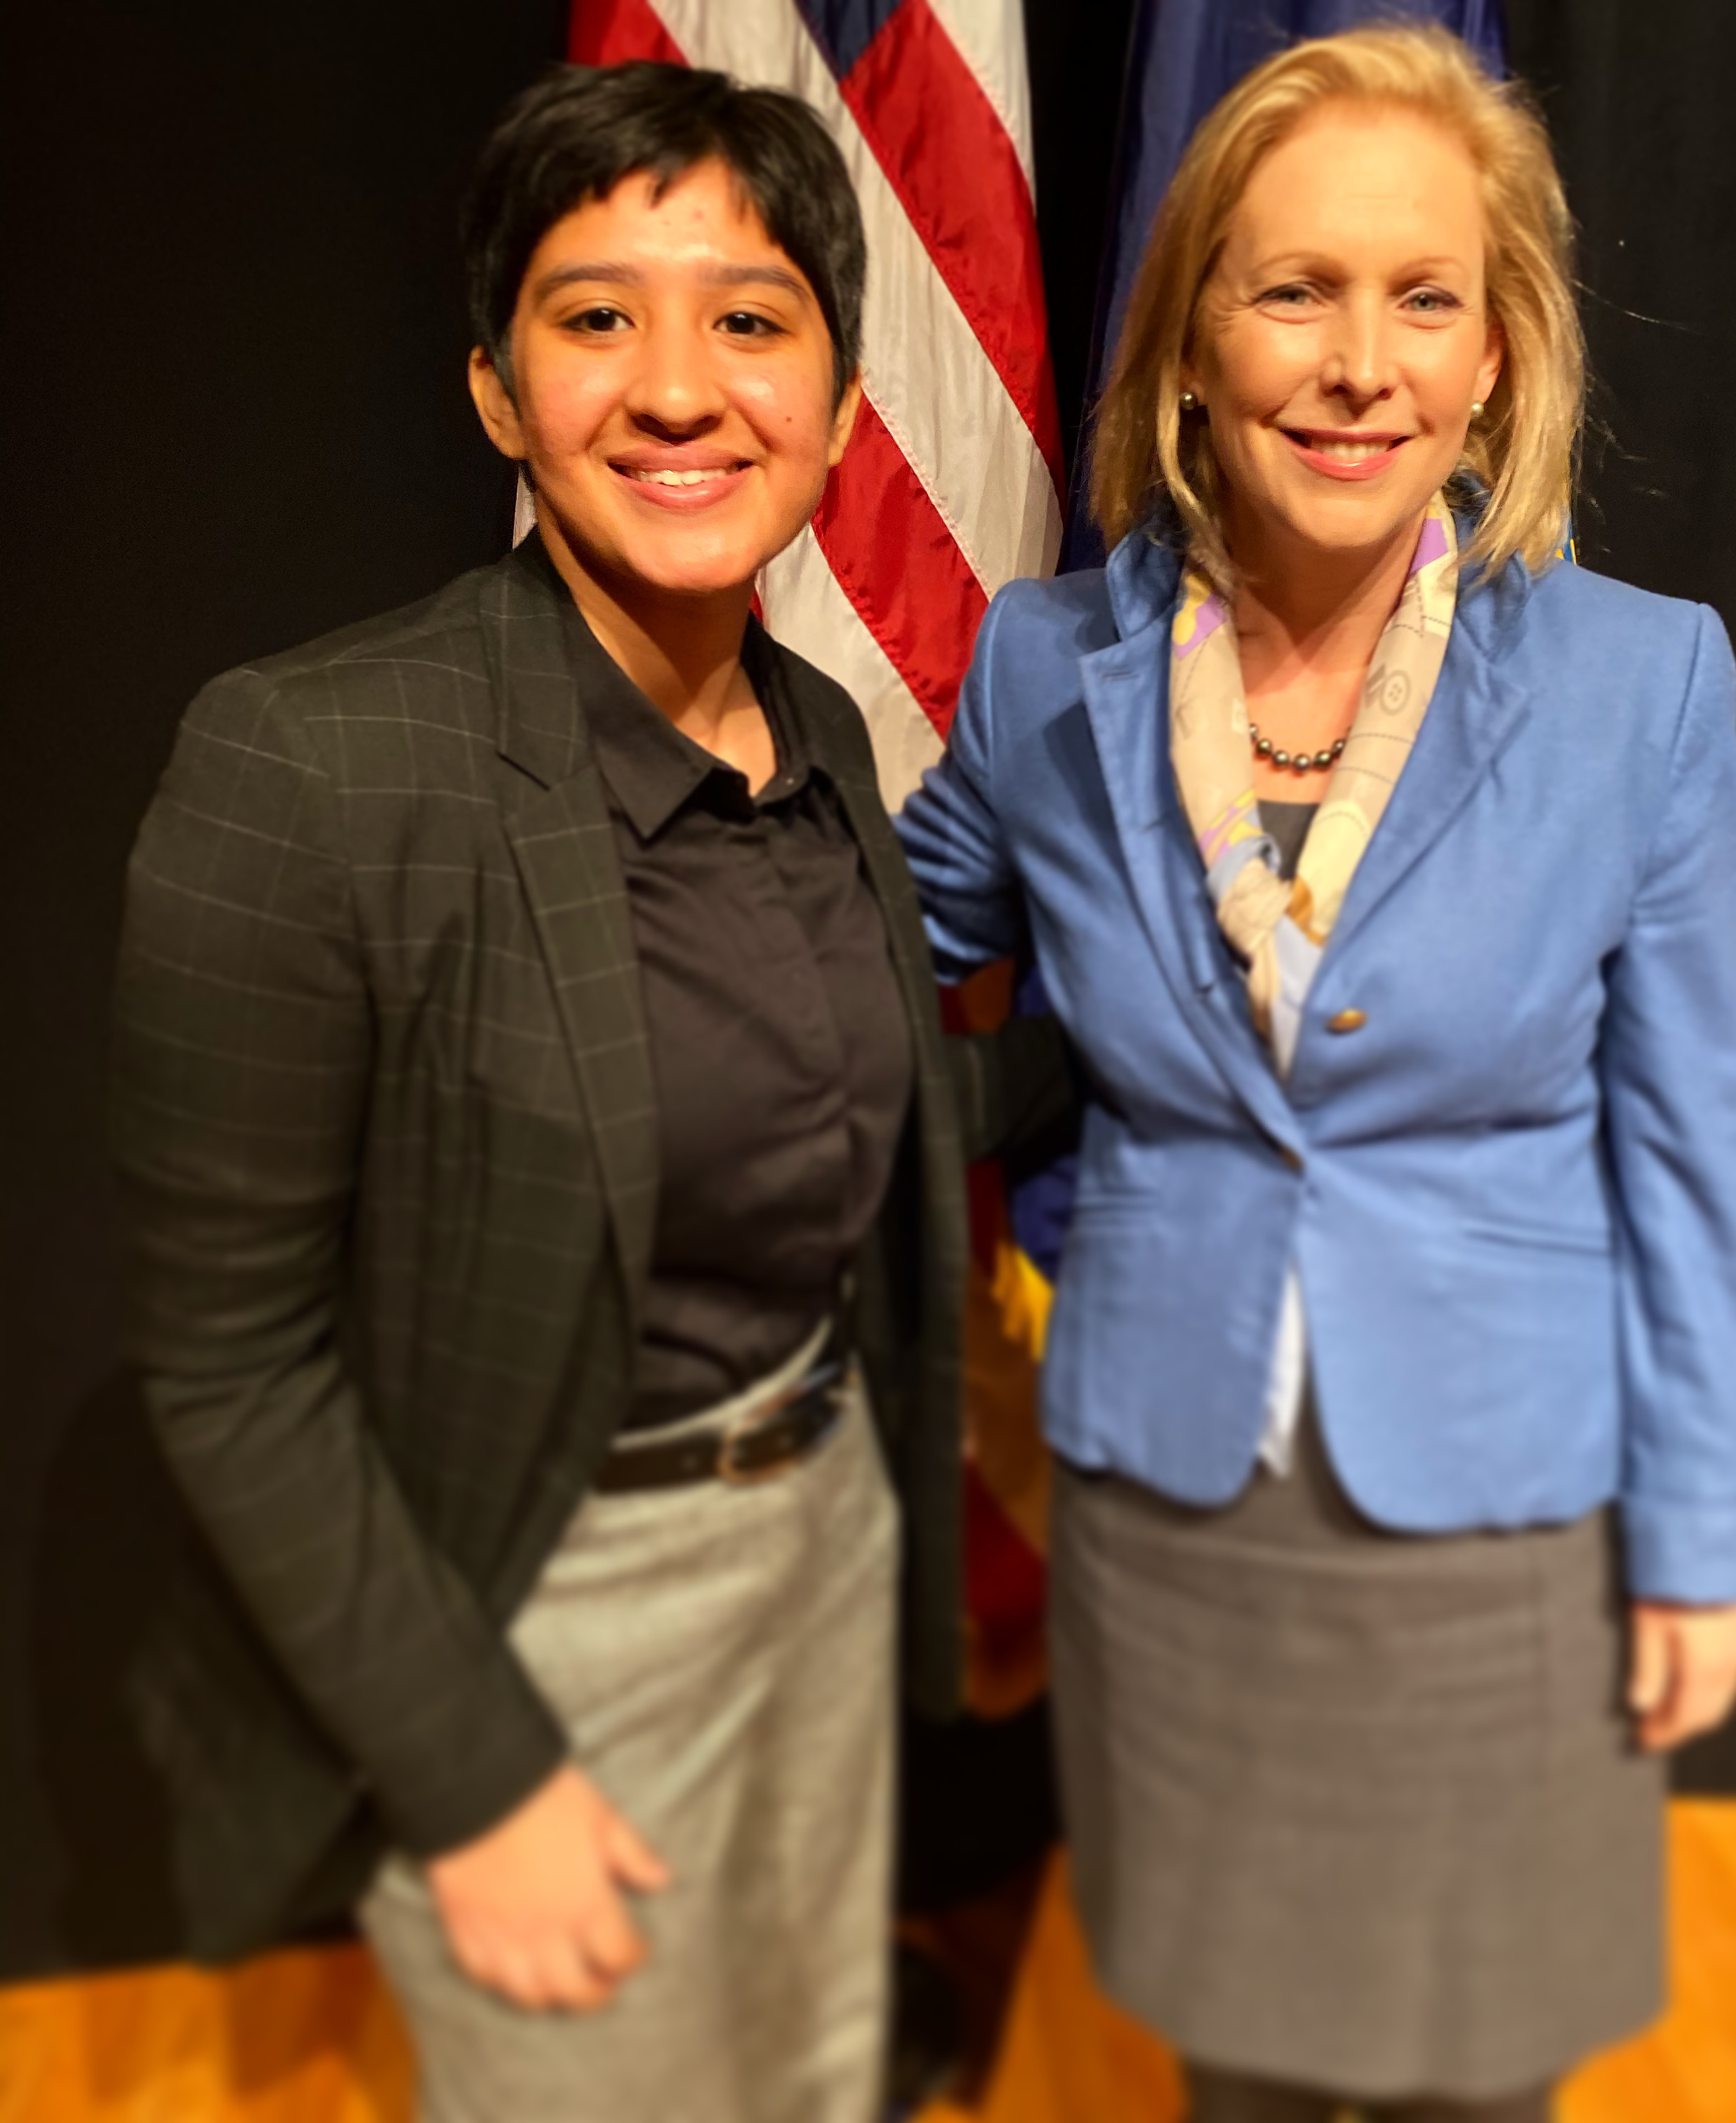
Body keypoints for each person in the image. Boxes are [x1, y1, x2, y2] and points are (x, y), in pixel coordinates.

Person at [897, 25, 1736, 2123]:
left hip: (1504, 1529)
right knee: (1233, 2059)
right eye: (1293, 289)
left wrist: (1703, 1529)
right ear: (1193, 338)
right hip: (1176, 1514)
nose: (1359, 361)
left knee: (1480, 2071)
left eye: (1425, 297)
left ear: (1500, 353)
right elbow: (877, 944)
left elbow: (1694, 1135)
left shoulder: (1645, 683)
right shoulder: (1047, 672)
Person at [111, 60, 1065, 2123]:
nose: (677, 384)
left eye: (748, 315)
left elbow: (857, 1115)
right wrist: (477, 1781)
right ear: (493, 388)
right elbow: (231, 1369)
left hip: (816, 1560)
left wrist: (1156, 1029)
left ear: (829, 381)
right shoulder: (311, 769)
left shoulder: (813, 731)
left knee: (805, 2080)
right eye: (595, 313)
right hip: (537, 1619)